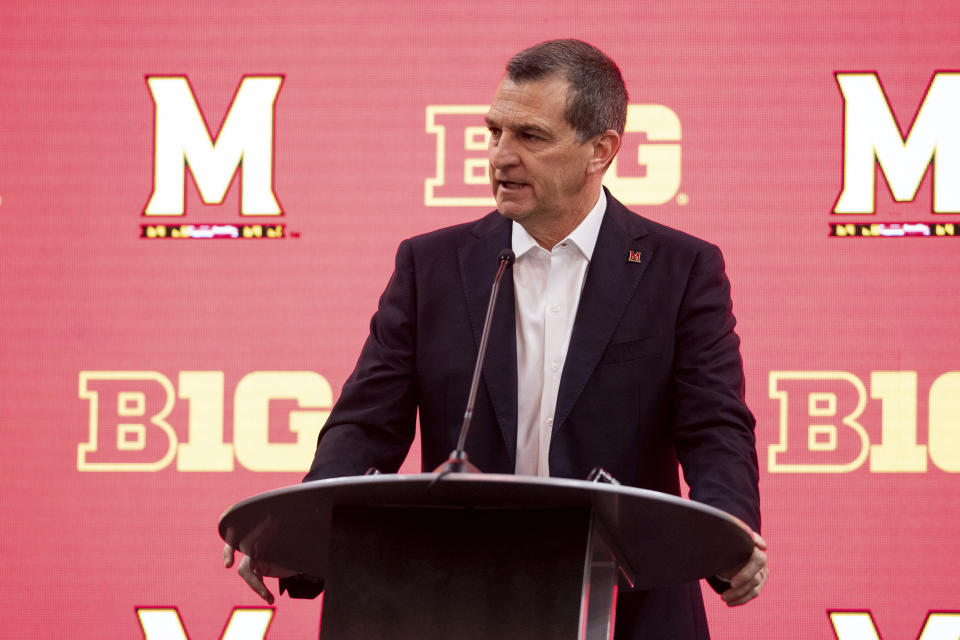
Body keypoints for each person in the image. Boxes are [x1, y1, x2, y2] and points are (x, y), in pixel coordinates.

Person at [224, 38, 767, 639]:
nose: (501, 158)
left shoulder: (680, 270)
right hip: (459, 602)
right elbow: (365, 427)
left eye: (530, 137)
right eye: (494, 133)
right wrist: (300, 535)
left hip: (634, 608)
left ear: (601, 150)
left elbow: (714, 426)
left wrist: (727, 532)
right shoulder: (430, 266)